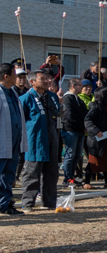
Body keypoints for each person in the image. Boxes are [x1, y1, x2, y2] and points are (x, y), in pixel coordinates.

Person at [19, 70, 61, 211]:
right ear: (32, 82)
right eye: (42, 79)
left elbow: (59, 114)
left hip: (52, 138)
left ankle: (49, 203)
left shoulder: (53, 97)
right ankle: (28, 203)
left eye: (48, 78)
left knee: (52, 173)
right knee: (32, 173)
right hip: (34, 139)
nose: (47, 81)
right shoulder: (25, 98)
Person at [0, 63, 25, 215]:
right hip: (2, 142)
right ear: (6, 76)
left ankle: (4, 204)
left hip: (13, 142)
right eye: (15, 74)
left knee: (8, 176)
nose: (17, 77)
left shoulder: (13, 93)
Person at [84, 80, 107, 189]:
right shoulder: (96, 107)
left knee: (106, 159)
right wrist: (96, 131)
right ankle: (86, 182)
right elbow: (88, 120)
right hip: (97, 136)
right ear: (103, 95)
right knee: (94, 159)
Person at [59, 78, 88, 186]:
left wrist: (85, 125)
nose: (82, 87)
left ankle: (72, 176)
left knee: (77, 155)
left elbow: (85, 113)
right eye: (80, 85)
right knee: (70, 154)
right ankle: (67, 178)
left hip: (80, 130)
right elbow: (69, 116)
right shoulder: (67, 98)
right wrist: (82, 124)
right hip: (70, 130)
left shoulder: (78, 99)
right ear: (73, 86)